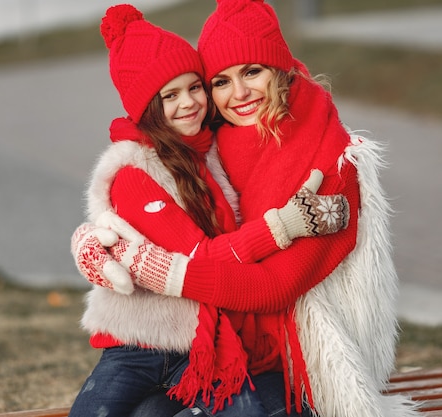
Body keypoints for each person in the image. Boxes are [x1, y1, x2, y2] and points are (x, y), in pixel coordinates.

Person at [73, 0, 421, 416]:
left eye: (252, 72)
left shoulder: (328, 158)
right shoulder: (215, 141)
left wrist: (162, 271)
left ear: (279, 69)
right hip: (219, 342)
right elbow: (156, 200)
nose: (237, 94)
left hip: (301, 360)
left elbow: (272, 288)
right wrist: (95, 237)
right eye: (220, 80)